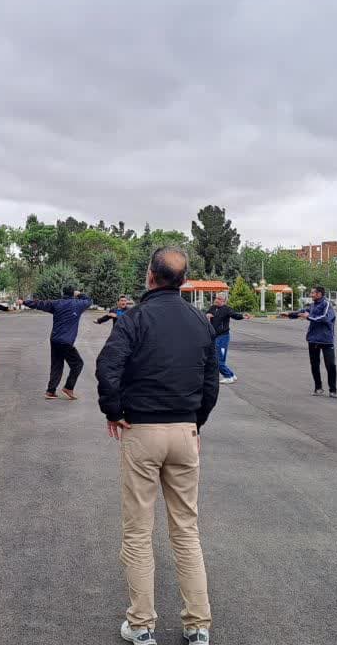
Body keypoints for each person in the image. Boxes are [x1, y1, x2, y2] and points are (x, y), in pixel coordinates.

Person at [96, 246, 219, 645]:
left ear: (150, 275)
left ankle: (142, 625)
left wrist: (114, 410)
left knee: (138, 531)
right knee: (186, 530)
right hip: (184, 432)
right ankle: (197, 625)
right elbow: (211, 381)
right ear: (183, 280)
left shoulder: (134, 318)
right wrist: (195, 423)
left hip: (142, 431)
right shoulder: (199, 320)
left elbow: (108, 366)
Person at [20, 285, 93, 400]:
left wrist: (24, 302)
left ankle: (50, 391)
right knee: (78, 364)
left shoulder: (56, 303)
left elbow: (40, 304)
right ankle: (68, 387)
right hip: (66, 342)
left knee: (57, 365)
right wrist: (79, 294)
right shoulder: (78, 304)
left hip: (55, 340)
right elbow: (89, 301)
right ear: (73, 293)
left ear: (63, 293)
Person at [280, 285, 337, 397]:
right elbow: (302, 312)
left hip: (326, 340)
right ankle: (318, 388)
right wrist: (289, 314)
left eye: (313, 293)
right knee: (314, 365)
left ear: (319, 294)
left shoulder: (326, 304)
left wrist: (309, 317)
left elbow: (325, 318)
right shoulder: (312, 305)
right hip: (313, 339)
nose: (311, 295)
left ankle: (333, 390)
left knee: (330, 365)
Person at [205, 291, 249, 385]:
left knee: (218, 360)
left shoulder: (227, 309)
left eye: (219, 299)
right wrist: (207, 315)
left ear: (224, 301)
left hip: (223, 338)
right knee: (217, 358)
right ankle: (231, 375)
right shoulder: (213, 308)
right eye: (216, 298)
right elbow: (207, 313)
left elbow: (235, 315)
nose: (216, 300)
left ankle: (228, 376)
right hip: (215, 337)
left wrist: (242, 316)